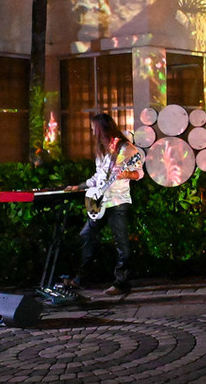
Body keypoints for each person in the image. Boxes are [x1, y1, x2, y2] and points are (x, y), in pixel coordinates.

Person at [65, 113, 145, 296]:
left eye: (94, 128)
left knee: (121, 243)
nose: (92, 131)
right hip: (99, 201)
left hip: (117, 202)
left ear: (102, 128)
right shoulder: (102, 150)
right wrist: (80, 186)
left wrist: (127, 174)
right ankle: (81, 277)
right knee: (86, 234)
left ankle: (121, 283)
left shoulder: (126, 149)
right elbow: (98, 177)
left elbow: (139, 173)